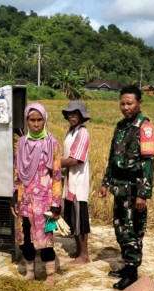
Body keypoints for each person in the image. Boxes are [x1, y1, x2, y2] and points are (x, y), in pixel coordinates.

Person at [97, 84, 154, 290]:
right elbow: (112, 158)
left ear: (140, 103)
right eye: (122, 103)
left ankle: (132, 272)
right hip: (119, 189)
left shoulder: (145, 129)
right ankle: (127, 265)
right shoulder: (120, 127)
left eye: (129, 103)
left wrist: (143, 194)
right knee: (120, 228)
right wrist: (106, 183)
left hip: (134, 190)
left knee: (132, 230)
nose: (125, 107)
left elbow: (149, 163)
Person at [12, 102, 63, 287]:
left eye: (39, 120)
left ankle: (50, 275)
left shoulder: (51, 143)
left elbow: (57, 175)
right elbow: (17, 171)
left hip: (45, 202)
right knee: (26, 237)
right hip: (24, 200)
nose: (35, 124)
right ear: (27, 121)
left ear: (44, 120)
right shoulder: (22, 144)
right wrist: (13, 196)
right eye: (32, 120)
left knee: (45, 238)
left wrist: (56, 203)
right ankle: (31, 272)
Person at [60, 100, 92, 264]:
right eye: (69, 113)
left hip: (78, 183)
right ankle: (79, 251)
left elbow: (76, 159)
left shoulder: (82, 133)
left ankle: (84, 255)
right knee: (73, 218)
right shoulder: (71, 132)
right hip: (70, 181)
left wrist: (54, 164)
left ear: (81, 116)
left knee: (80, 220)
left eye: (75, 113)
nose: (71, 116)